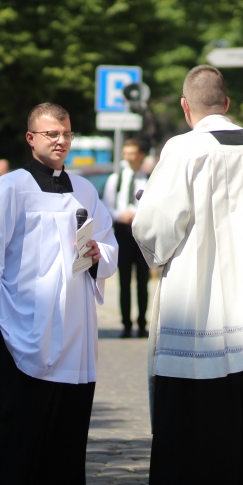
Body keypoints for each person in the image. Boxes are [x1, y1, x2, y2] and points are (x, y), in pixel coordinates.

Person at [132, 65, 243, 485]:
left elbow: (155, 231)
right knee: (242, 438)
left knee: (190, 444)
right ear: (228, 104)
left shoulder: (183, 150)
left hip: (198, 315)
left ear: (186, 107)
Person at [0, 102, 118, 485]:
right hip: (22, 328)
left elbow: (107, 243)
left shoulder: (85, 189)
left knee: (64, 437)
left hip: (74, 329)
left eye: (66, 134)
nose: (61, 141)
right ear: (31, 139)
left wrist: (98, 255)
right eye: (52, 134)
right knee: (10, 434)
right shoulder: (12, 187)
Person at [102, 138, 151, 338]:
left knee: (142, 280)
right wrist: (119, 215)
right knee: (124, 280)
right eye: (126, 153)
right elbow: (107, 204)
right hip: (123, 232)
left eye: (133, 153)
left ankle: (141, 323)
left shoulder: (149, 178)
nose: (129, 157)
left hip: (142, 233)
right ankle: (126, 323)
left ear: (141, 155)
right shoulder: (117, 178)